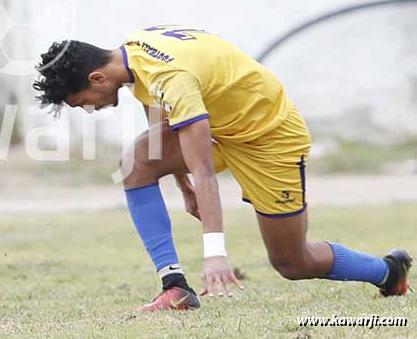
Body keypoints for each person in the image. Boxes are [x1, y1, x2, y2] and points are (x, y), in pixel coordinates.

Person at [33, 25, 411, 312]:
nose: (88, 108)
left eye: (82, 101)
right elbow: (165, 122)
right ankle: (175, 286)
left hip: (269, 138)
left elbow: (205, 172)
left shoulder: (169, 78)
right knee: (136, 164)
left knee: (293, 262)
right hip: (222, 127)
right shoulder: (135, 55)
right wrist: (181, 185)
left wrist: (216, 255)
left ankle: (388, 272)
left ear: (96, 78)